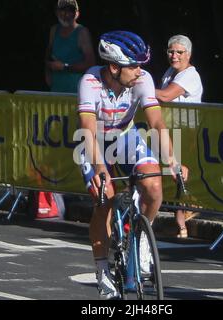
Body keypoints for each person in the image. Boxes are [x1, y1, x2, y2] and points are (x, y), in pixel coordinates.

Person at [77, 31, 188, 299]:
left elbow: (156, 124)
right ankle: (103, 272)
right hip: (94, 142)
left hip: (125, 137)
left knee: (153, 183)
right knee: (104, 200)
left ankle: (141, 243)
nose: (140, 71)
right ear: (114, 67)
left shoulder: (143, 80)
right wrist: (101, 169)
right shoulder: (90, 82)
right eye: (134, 65)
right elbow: (88, 132)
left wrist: (172, 160)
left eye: (141, 65)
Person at [156, 35, 202, 238]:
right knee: (174, 173)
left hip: (187, 130)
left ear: (188, 55)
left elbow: (165, 96)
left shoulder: (190, 75)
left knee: (181, 173)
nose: (174, 56)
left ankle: (181, 224)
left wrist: (139, 87)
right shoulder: (169, 73)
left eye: (179, 52)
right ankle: (179, 222)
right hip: (172, 129)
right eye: (171, 51)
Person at [45, 0, 95, 93]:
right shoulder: (54, 30)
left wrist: (64, 67)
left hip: (76, 92)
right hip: (56, 89)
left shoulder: (82, 32)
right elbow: (48, 53)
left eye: (71, 10)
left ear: (77, 13)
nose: (66, 14)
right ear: (57, 12)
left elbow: (90, 64)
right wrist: (47, 72)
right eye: (63, 10)